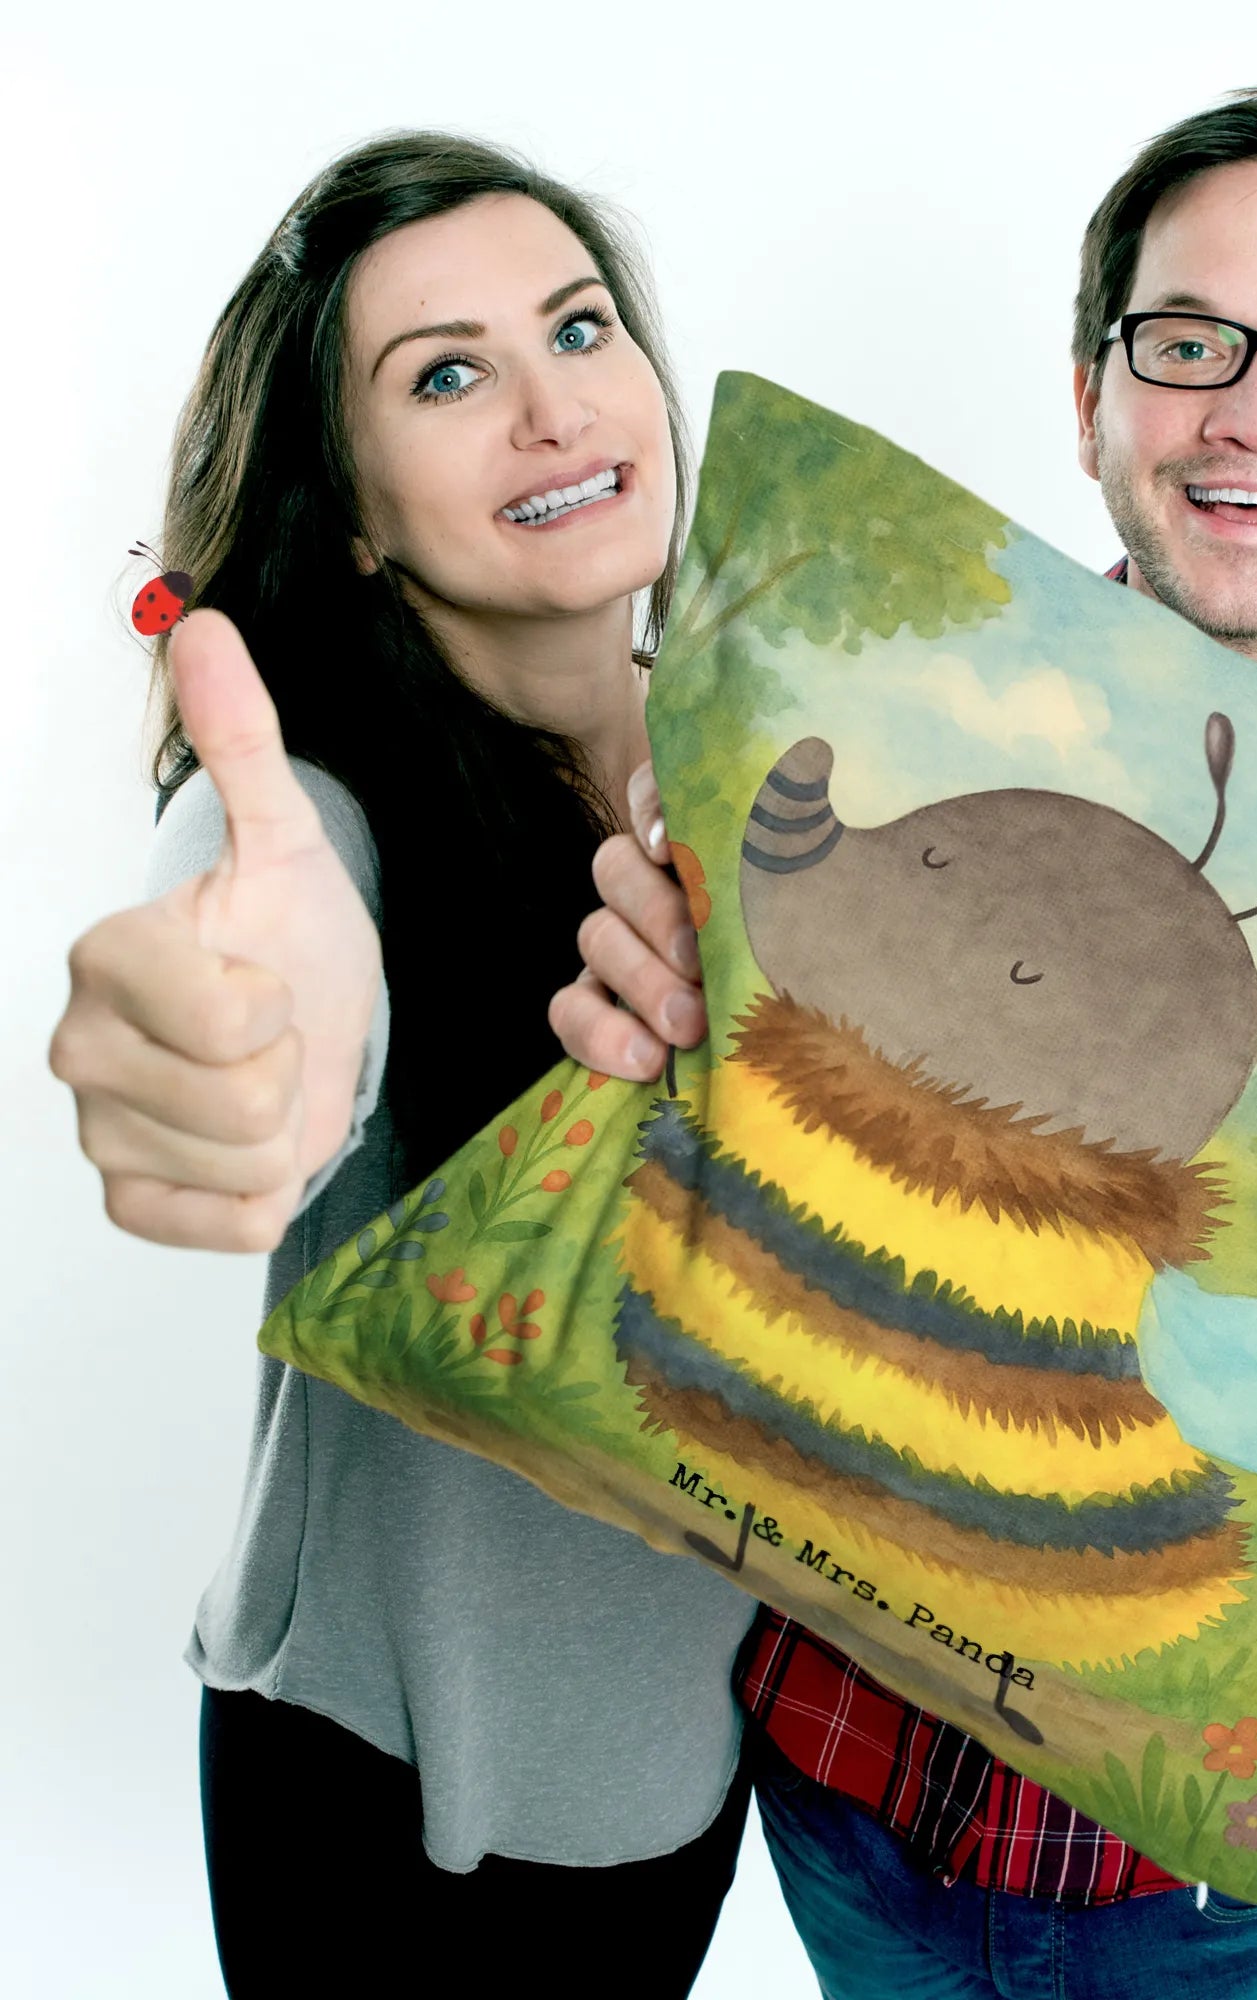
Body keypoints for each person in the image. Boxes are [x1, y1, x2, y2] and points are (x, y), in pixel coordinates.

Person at [552, 88, 1257, 1998]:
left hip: (1217, 1897)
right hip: (833, 1795)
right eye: (1190, 344)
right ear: (1091, 398)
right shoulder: (869, 717)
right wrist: (644, 1031)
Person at [46, 135, 757, 1996]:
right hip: (394, 1807)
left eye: (578, 330)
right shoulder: (320, 810)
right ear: (354, 513)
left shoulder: (761, 764)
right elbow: (263, 939)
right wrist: (229, 1038)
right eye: (446, 375)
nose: (550, 408)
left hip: (686, 1768)